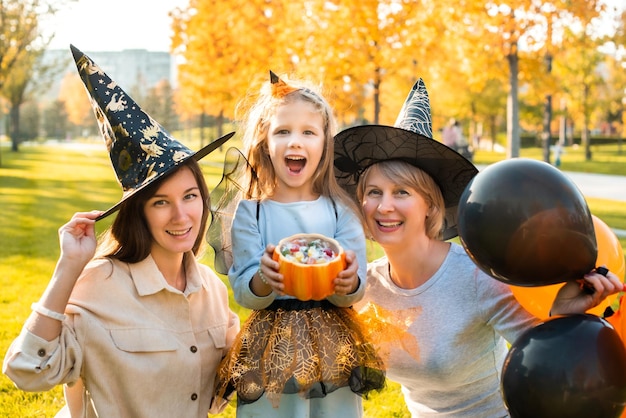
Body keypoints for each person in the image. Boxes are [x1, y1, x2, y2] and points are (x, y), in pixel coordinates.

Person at [334, 78, 624, 417]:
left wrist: (562, 313)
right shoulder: (363, 285)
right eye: (374, 192)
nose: (384, 206)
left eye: (402, 193)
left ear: (430, 205)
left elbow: (541, 349)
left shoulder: (472, 277)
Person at [2, 45, 240, 418]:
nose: (182, 216)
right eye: (160, 202)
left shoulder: (211, 289)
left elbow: (227, 385)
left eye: (190, 196)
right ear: (139, 213)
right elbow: (26, 370)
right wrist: (69, 267)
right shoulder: (101, 283)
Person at [209, 71, 385, 417]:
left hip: (332, 342)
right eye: (283, 131)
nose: (295, 142)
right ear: (265, 141)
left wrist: (348, 283)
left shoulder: (340, 211)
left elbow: (355, 286)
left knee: (334, 410)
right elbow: (245, 290)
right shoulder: (251, 214)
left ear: (324, 142)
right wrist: (264, 279)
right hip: (271, 345)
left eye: (308, 132)